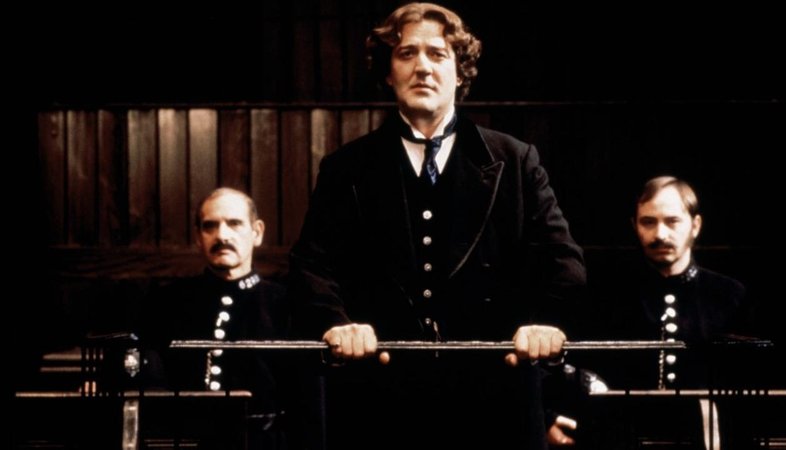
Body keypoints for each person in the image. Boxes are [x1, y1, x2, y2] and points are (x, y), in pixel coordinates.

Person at [289, 3, 586, 450]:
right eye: (406, 53)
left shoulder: (515, 160)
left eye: (438, 54)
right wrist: (336, 323)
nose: (423, 67)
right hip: (380, 407)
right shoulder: (345, 168)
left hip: (494, 405)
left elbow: (565, 264)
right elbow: (310, 267)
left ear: (460, 72)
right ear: (388, 72)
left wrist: (544, 324)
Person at [572, 176, 754, 449]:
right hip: (623, 436)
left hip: (705, 438)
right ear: (634, 226)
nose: (660, 234)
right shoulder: (609, 296)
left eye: (672, 221)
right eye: (648, 222)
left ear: (695, 225)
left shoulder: (729, 295)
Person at [138, 187, 288, 450]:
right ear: (198, 236)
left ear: (257, 232)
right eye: (210, 226)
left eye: (234, 223)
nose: (222, 235)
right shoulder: (166, 302)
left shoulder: (285, 304)